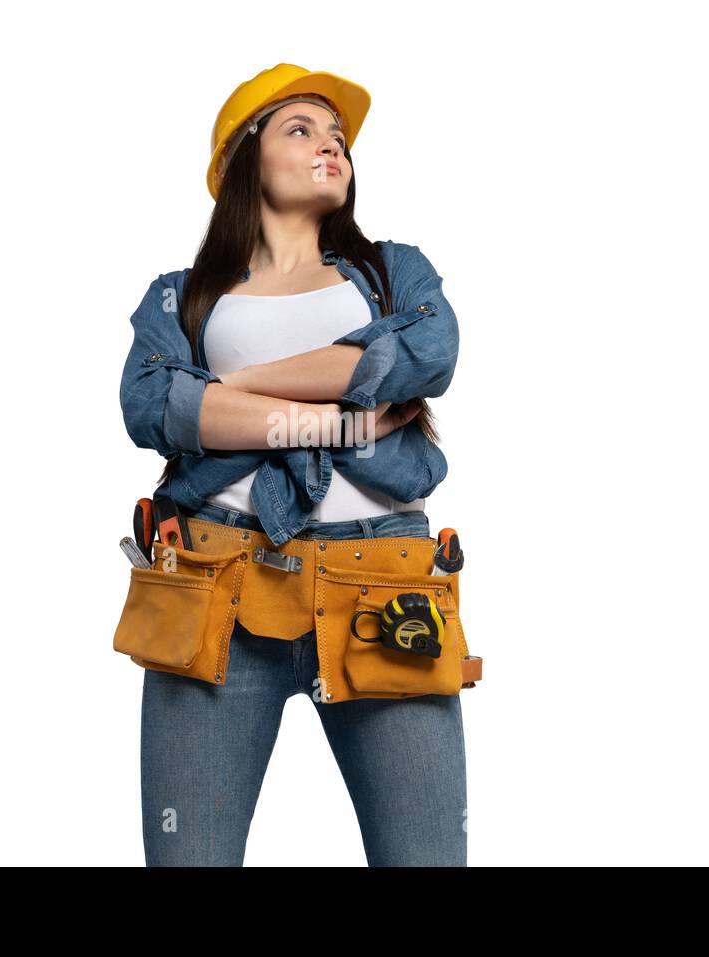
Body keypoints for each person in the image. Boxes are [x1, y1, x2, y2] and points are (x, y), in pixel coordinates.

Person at [119, 63, 467, 866]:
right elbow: (151, 405)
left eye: (337, 136)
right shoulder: (182, 297)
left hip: (384, 582)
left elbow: (428, 352)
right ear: (248, 159)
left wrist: (234, 388)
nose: (330, 145)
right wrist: (336, 425)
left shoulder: (392, 273)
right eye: (300, 129)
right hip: (215, 578)